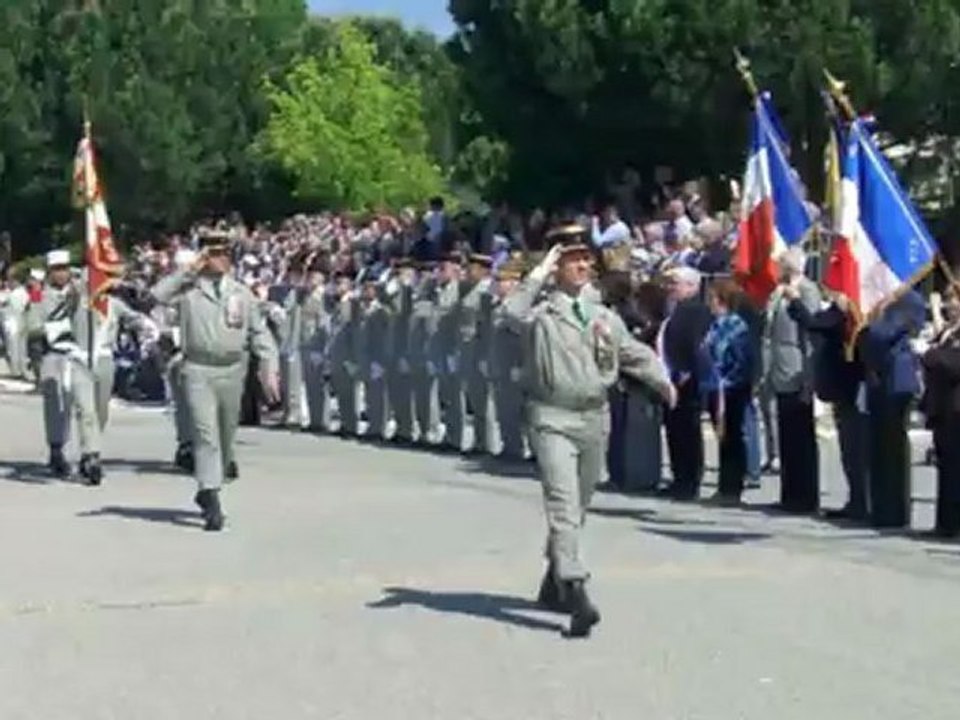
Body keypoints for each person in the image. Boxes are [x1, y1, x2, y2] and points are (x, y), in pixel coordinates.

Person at [504, 225, 675, 639]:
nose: (581, 265)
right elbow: (509, 313)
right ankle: (578, 595)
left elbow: (633, 354)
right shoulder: (541, 315)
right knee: (563, 503)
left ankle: (554, 578)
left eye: (585, 259)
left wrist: (663, 381)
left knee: (578, 506)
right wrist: (538, 273)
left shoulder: (603, 316)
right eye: (570, 259)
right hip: (551, 417)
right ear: (556, 267)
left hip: (594, 419)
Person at [150, 232, 279, 532]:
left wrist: (269, 366)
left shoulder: (241, 293)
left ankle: (211, 482)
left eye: (224, 253)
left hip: (233, 370)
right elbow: (157, 295)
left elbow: (259, 333)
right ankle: (210, 496)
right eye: (212, 253)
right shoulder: (188, 291)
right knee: (205, 434)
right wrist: (188, 270)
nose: (219, 259)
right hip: (198, 369)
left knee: (224, 435)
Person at [787, 290, 867, 521]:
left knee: (854, 448)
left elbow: (814, 323)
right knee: (848, 448)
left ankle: (860, 502)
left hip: (849, 386)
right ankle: (856, 500)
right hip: (842, 387)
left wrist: (794, 300)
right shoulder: (840, 310)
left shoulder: (849, 310)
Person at [859, 289, 925, 528]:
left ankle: (894, 510)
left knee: (892, 445)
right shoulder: (886, 300)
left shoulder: (909, 300)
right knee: (878, 444)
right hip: (879, 379)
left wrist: (874, 314)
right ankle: (880, 506)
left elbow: (880, 334)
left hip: (897, 380)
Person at [766, 247, 821, 513]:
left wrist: (808, 378)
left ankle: (805, 495)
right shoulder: (779, 291)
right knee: (786, 433)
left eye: (782, 265)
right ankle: (789, 492)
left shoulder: (807, 290)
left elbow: (809, 334)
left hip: (797, 366)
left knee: (801, 433)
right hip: (779, 367)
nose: (778, 269)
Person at [659, 266, 712, 500]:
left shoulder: (697, 311)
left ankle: (689, 481)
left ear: (692, 287)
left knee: (688, 431)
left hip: (687, 379)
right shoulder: (674, 309)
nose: (671, 288)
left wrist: (689, 370)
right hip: (670, 377)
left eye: (676, 283)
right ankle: (679, 476)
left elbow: (697, 344)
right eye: (669, 283)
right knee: (674, 430)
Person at [701, 279, 755, 505]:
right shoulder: (715, 324)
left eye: (712, 298)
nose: (709, 303)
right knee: (722, 438)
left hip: (731, 389)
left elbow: (741, 360)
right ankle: (724, 486)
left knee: (733, 436)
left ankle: (733, 488)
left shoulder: (736, 325)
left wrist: (728, 381)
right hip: (715, 387)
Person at [921, 284, 960, 537]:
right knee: (946, 466)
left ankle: (952, 523)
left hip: (956, 407)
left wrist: (928, 355)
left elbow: (953, 363)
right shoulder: (950, 330)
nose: (950, 305)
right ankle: (944, 522)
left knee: (955, 468)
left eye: (954, 300)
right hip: (942, 407)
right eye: (948, 300)